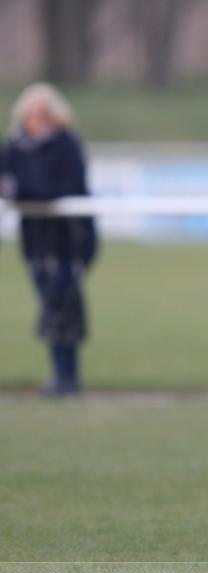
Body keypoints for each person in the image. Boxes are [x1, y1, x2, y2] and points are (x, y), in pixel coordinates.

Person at [4, 82, 96, 396]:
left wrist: (21, 193)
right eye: (31, 113)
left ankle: (68, 378)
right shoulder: (17, 147)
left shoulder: (66, 145)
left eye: (42, 112)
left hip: (68, 242)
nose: (36, 119)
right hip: (35, 243)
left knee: (64, 306)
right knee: (50, 307)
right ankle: (60, 377)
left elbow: (61, 189)